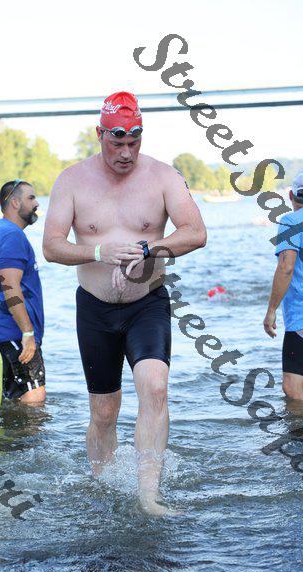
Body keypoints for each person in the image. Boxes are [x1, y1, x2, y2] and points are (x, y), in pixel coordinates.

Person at [43, 91, 207, 515]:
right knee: (104, 410)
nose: (127, 152)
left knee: (155, 386)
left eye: (134, 141)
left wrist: (149, 249)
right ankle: (103, 487)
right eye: (118, 142)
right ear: (100, 134)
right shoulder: (72, 180)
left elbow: (195, 232)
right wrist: (100, 252)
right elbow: (52, 246)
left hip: (146, 303)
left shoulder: (163, 176)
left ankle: (149, 495)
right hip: (94, 307)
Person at [0, 179, 45, 406]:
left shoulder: (2, 231)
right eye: (31, 198)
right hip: (12, 333)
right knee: (33, 400)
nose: (37, 203)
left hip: (2, 332)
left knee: (13, 401)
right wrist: (27, 333)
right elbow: (10, 286)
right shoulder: (12, 236)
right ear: (15, 203)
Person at [264, 171, 303, 406]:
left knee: (293, 388)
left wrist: (271, 310)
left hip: (300, 318)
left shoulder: (292, 221)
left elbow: (286, 267)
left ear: (291, 195)